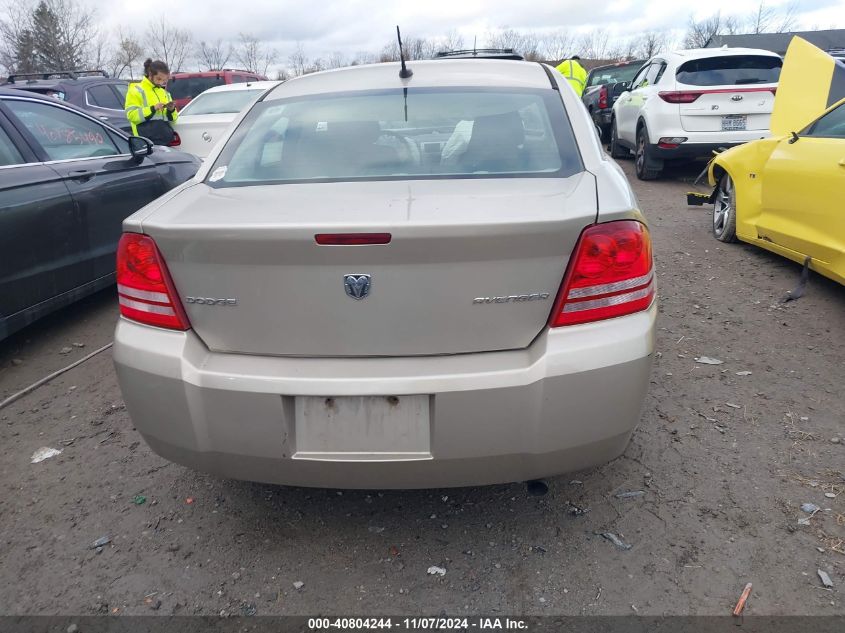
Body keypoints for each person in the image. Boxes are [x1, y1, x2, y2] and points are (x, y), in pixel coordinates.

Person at [125, 58, 178, 144]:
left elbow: (174, 119)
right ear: (150, 74)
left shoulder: (165, 93)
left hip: (165, 142)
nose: (161, 83)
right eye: (158, 79)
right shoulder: (136, 90)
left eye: (164, 80)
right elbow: (131, 115)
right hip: (145, 143)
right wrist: (153, 109)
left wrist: (171, 110)